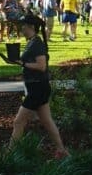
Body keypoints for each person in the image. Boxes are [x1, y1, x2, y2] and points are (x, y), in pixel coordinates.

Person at [7, 13, 68, 157]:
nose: (21, 29)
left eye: (24, 27)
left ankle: (8, 156)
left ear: (32, 27)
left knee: (18, 122)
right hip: (37, 86)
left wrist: (22, 63)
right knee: (47, 121)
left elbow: (41, 66)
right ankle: (61, 150)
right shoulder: (32, 42)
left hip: (37, 88)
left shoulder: (37, 44)